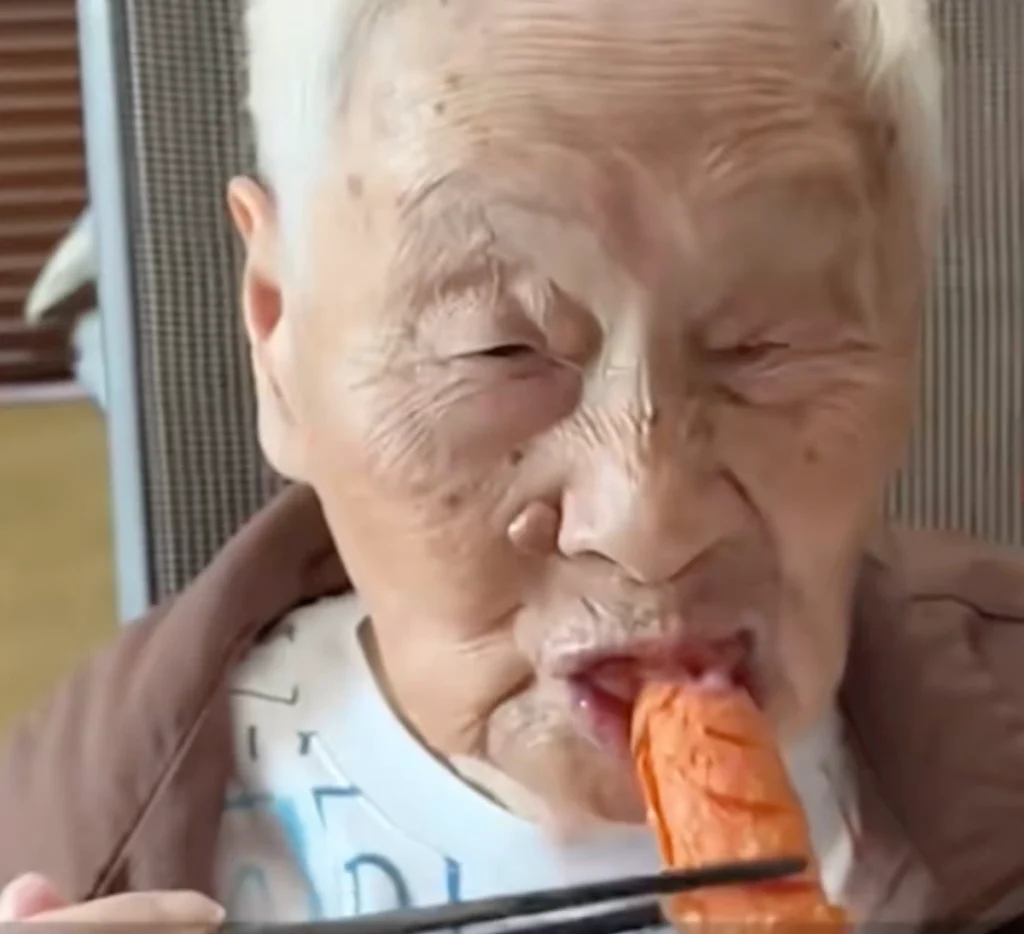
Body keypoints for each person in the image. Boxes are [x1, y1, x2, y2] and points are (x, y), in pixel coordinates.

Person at [3, 0, 1024, 930]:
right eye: (495, 348)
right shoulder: (70, 837)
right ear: (278, 333)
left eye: (772, 341)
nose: (648, 522)